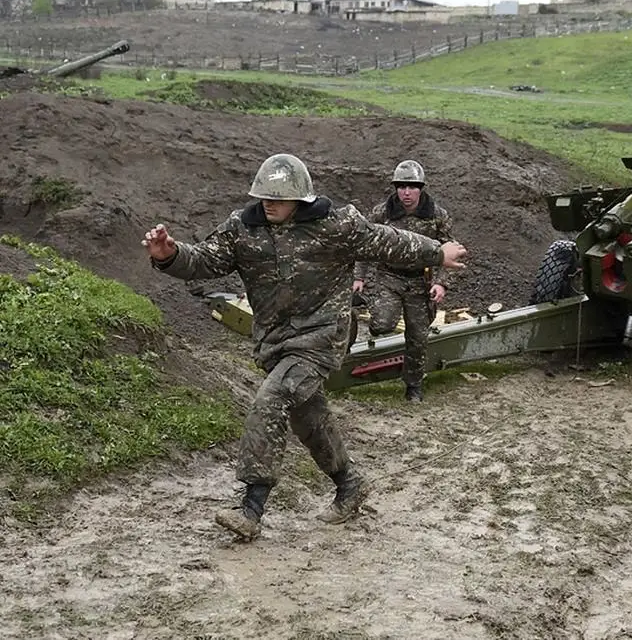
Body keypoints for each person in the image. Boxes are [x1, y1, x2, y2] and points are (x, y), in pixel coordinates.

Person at [142, 153, 468, 541]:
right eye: (264, 196)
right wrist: (169, 255)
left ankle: (251, 507)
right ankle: (349, 484)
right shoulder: (242, 229)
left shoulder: (335, 224)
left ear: (301, 198)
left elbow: (386, 241)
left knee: (272, 397)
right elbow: (203, 261)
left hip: (322, 337)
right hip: (275, 341)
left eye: (278, 197)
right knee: (307, 417)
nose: (269, 203)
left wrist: (437, 252)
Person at [352, 159, 455, 403]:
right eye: (401, 187)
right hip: (389, 277)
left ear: (421, 188)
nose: (406, 192)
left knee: (418, 338)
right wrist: (359, 277)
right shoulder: (382, 213)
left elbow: (452, 251)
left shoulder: (438, 216)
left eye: (412, 187)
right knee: (382, 325)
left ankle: (413, 386)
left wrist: (441, 282)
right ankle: (360, 307)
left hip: (420, 283)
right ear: (395, 188)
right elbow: (364, 244)